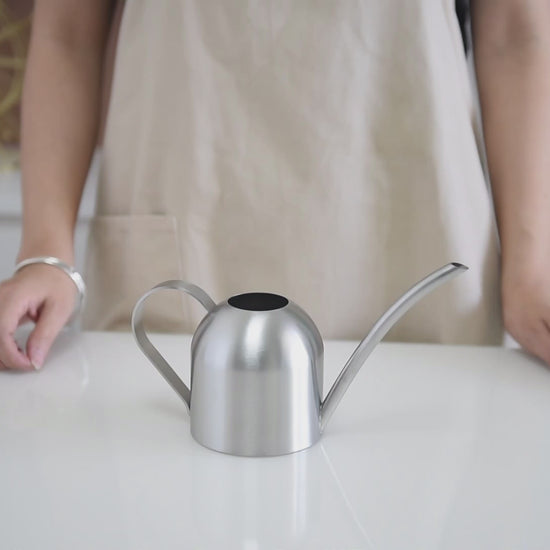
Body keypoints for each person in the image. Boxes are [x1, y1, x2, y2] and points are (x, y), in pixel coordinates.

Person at [0, 0, 549, 371]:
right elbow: (69, 32)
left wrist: (532, 267)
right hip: (184, 229)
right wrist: (46, 253)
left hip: (418, 239)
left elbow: (516, 34)